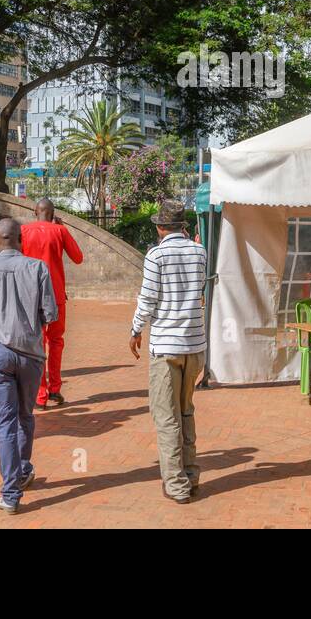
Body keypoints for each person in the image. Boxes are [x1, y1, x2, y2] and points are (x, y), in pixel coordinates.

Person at [0, 217, 58, 514]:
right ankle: (21, 471)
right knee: (25, 416)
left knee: (5, 425)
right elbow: (50, 314)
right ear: (20, 238)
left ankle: (10, 493)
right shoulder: (37, 268)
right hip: (31, 353)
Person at [129, 200, 207, 504]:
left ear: (160, 227)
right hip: (194, 345)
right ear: (183, 226)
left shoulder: (156, 255)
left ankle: (175, 484)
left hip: (166, 346)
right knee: (186, 410)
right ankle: (191, 475)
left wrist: (135, 329)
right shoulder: (199, 252)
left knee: (166, 416)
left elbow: (148, 299)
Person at [20, 198, 84, 408]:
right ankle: (54, 389)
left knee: (37, 343)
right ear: (53, 213)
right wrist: (62, 228)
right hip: (55, 295)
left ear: (34, 212)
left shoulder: (23, 230)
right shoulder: (59, 231)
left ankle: (40, 394)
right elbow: (78, 257)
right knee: (55, 341)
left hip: (31, 296)